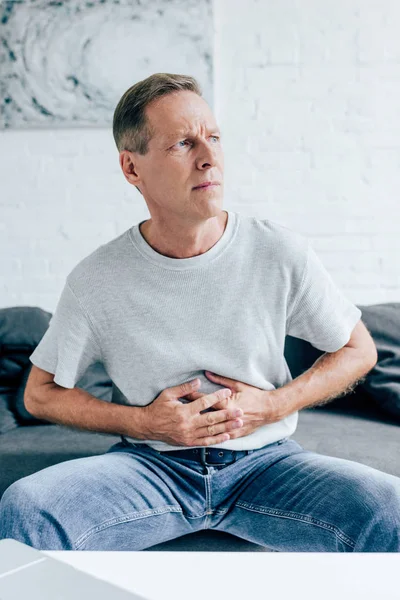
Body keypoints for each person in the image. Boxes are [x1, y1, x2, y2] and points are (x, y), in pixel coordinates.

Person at [1, 72, 399, 552]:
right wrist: (144, 423)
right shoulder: (98, 278)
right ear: (132, 168)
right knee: (27, 508)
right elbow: (39, 395)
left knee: (389, 508)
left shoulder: (278, 251)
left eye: (213, 137)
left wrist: (274, 404)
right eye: (182, 144)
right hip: (151, 468)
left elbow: (359, 350)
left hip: (267, 464)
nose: (209, 157)